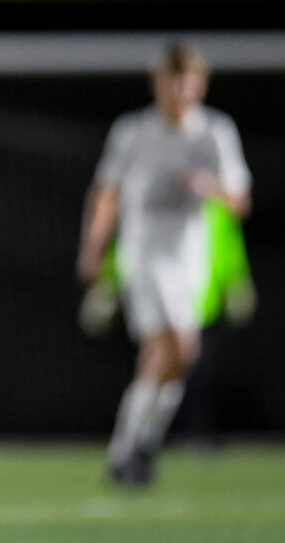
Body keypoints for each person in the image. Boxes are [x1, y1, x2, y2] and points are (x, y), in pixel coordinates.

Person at [76, 41, 253, 486]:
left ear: (199, 84)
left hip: (191, 259)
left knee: (166, 357)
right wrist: (93, 247)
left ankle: (131, 449)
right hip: (144, 255)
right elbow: (107, 193)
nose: (178, 90)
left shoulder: (215, 132)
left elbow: (239, 201)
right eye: (170, 81)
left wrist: (208, 185)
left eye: (186, 81)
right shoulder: (133, 131)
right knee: (178, 345)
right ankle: (137, 449)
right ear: (158, 83)